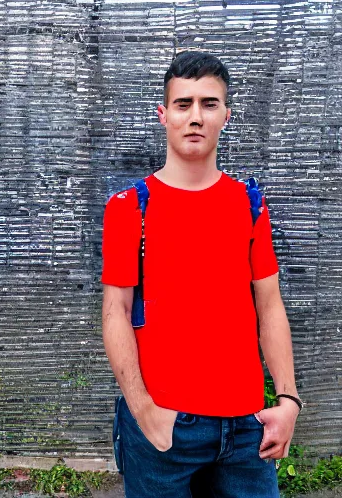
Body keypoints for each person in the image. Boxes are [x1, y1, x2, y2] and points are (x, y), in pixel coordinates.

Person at [101, 50, 303, 498]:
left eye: (209, 104)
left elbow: (269, 306)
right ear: (164, 115)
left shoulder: (249, 204)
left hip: (247, 429)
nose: (196, 116)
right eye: (184, 103)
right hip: (164, 427)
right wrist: (143, 409)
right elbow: (115, 311)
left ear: (226, 115)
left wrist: (287, 400)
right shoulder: (129, 208)